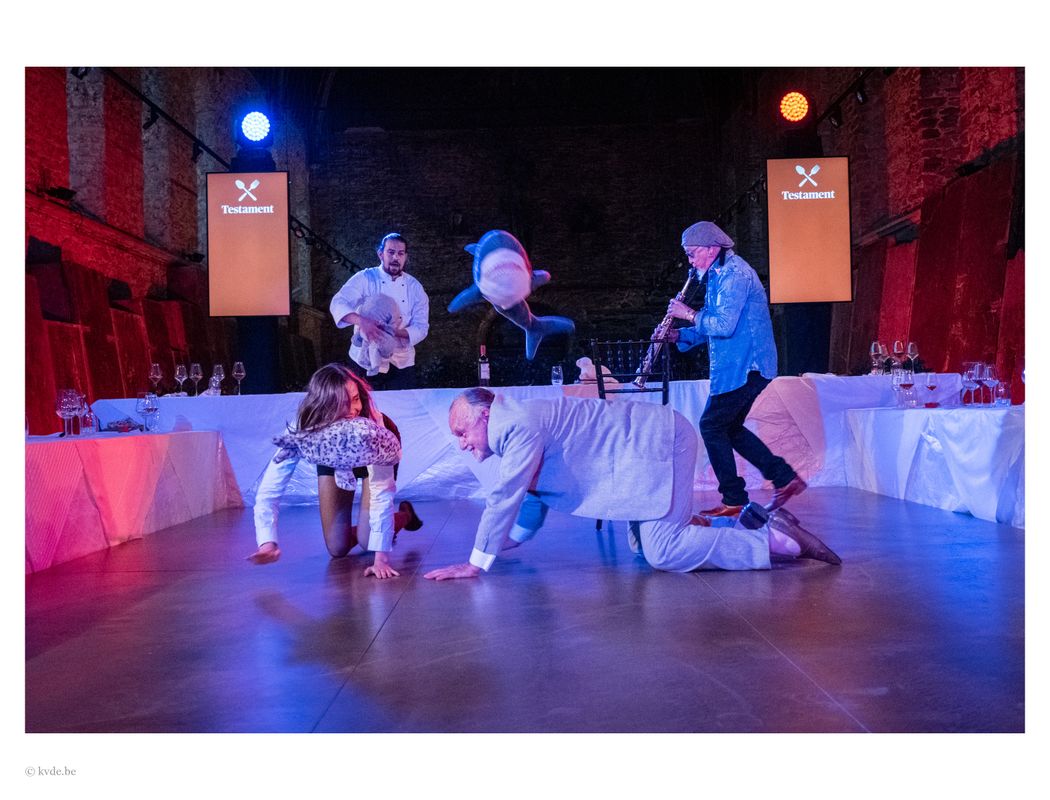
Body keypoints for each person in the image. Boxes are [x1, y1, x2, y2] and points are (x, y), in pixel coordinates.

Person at [423, 389, 839, 581]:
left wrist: (475, 563)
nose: (462, 444)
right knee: (643, 545)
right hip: (650, 450)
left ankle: (775, 541)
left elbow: (504, 497)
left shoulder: (516, 426)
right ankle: (751, 522)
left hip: (662, 443)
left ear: (485, 415)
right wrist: (496, 547)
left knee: (663, 550)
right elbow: (529, 505)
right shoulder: (518, 427)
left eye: (462, 432)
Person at [664, 221, 806, 517]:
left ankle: (734, 499)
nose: (690, 261)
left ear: (711, 249)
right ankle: (783, 478)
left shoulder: (734, 275)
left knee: (711, 425)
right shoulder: (717, 274)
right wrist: (680, 335)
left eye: (692, 254)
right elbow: (711, 323)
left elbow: (723, 325)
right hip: (737, 367)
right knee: (729, 428)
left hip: (748, 365)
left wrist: (687, 313)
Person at [249, 364, 422, 579]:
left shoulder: (375, 429)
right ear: (325, 406)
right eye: (343, 404)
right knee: (337, 547)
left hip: (372, 455)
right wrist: (267, 542)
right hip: (332, 456)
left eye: (356, 399)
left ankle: (405, 516)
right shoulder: (306, 426)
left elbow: (382, 491)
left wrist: (381, 558)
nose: (353, 409)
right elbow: (271, 487)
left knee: (369, 540)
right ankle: (371, 530)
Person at [330, 232, 430, 391]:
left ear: (405, 257)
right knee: (361, 403)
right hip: (363, 361)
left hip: (401, 363)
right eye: (391, 252)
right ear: (380, 254)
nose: (395, 257)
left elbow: (421, 327)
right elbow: (338, 302)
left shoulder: (415, 288)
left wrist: (389, 332)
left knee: (403, 405)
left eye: (400, 253)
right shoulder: (365, 278)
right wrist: (362, 322)